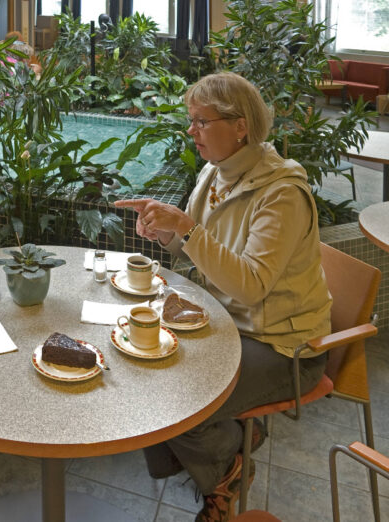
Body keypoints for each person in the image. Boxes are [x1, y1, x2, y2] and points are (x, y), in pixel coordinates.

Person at [115, 72, 332, 522]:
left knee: (175, 402)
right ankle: (224, 448)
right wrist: (167, 232)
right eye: (190, 120)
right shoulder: (216, 171)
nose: (191, 131)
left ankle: (225, 467)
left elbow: (250, 284)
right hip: (226, 323)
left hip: (280, 346)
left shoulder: (282, 193)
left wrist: (187, 228)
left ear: (240, 127)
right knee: (140, 364)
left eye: (201, 121)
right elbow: (198, 247)